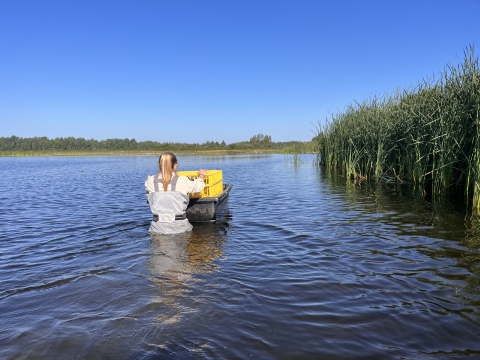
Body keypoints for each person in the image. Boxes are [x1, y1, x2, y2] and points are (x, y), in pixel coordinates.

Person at [145, 152, 206, 235]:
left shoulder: (149, 181)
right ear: (175, 166)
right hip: (180, 229)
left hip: (157, 229)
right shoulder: (183, 181)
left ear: (160, 165)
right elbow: (199, 186)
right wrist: (201, 176)